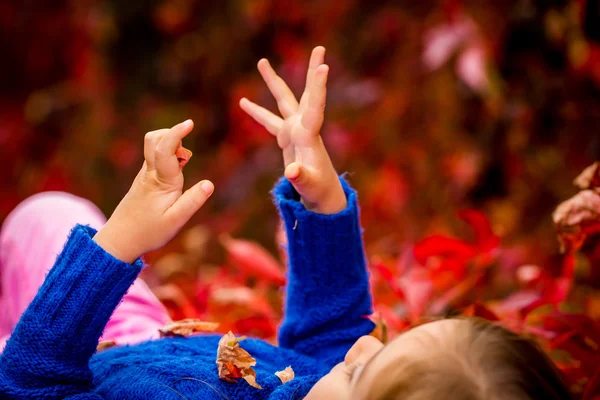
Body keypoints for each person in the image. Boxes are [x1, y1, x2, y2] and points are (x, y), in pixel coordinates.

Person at [0, 47, 572, 400]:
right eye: (386, 345)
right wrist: (321, 196)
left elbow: (31, 384)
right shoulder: (316, 388)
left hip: (57, 366)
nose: (358, 350)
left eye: (358, 377)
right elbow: (330, 336)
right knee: (47, 215)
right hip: (137, 343)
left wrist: (121, 242)